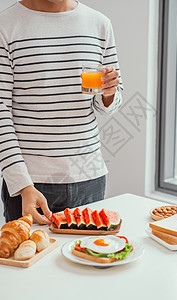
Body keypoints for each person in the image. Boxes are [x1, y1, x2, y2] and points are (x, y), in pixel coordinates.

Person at [0, 0, 123, 224]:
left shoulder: (100, 24)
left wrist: (109, 93)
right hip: (32, 184)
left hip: (90, 178)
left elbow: (109, 104)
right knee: (31, 257)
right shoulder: (6, 25)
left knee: (88, 257)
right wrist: (23, 185)